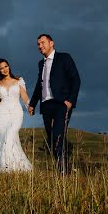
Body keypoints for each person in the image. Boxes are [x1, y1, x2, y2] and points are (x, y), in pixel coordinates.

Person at [27, 34, 80, 174]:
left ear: (52, 43)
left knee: (58, 135)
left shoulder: (64, 58)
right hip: (46, 105)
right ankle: (61, 167)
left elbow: (76, 79)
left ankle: (63, 173)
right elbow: (40, 85)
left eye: (43, 43)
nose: (40, 46)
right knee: (51, 139)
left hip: (61, 104)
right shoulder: (41, 63)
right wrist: (32, 103)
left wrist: (70, 101)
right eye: (38, 44)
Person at [0, 58, 33, 173]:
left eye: (6, 66)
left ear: (9, 67)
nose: (4, 69)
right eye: (1, 68)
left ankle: (10, 167)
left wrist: (29, 107)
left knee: (11, 134)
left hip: (16, 112)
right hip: (2, 115)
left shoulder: (18, 80)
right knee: (4, 137)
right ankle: (9, 167)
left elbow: (24, 97)